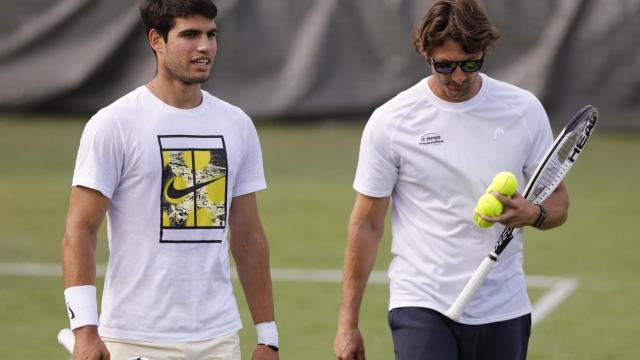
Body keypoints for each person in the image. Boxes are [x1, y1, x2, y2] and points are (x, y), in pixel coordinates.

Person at [334, 0, 569, 359]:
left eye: (470, 63)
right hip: (421, 303)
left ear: (485, 51)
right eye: (445, 65)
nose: (458, 76)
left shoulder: (523, 110)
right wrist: (347, 323)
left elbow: (558, 203)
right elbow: (366, 224)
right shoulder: (391, 122)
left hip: (503, 307)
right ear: (425, 54)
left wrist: (533, 214)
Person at [61, 1, 279, 359]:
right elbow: (79, 231)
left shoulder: (237, 124)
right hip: (136, 339)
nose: (205, 47)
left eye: (211, 35)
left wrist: (267, 336)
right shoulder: (114, 124)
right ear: (156, 40)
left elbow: (249, 236)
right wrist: (84, 329)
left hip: (219, 339)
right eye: (190, 35)